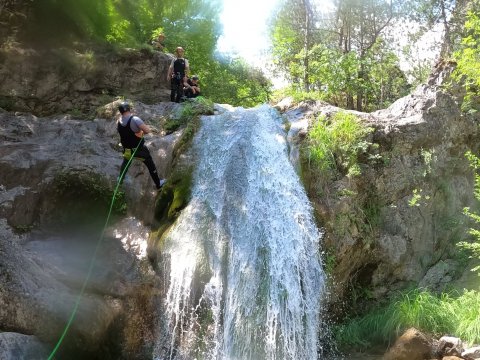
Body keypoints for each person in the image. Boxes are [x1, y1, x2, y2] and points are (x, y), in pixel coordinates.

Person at [117, 101, 166, 190]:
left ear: (121, 111)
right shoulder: (135, 119)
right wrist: (139, 132)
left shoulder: (119, 121)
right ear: (129, 109)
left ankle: (120, 180)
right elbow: (147, 131)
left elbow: (125, 133)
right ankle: (158, 184)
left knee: (125, 163)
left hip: (127, 150)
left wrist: (137, 132)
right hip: (138, 150)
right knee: (150, 164)